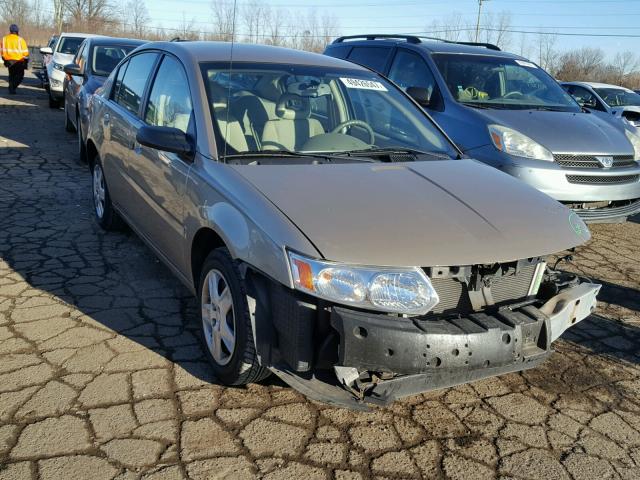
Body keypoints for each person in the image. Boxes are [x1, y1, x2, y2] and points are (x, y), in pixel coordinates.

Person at [1, 24, 29, 94]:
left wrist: (4, 59)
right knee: (20, 76)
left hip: (8, 61)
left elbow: (1, 51)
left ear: (10, 31)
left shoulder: (4, 39)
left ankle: (11, 88)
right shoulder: (20, 40)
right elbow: (25, 53)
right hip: (19, 61)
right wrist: (26, 61)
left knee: (11, 75)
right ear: (17, 31)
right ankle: (12, 87)